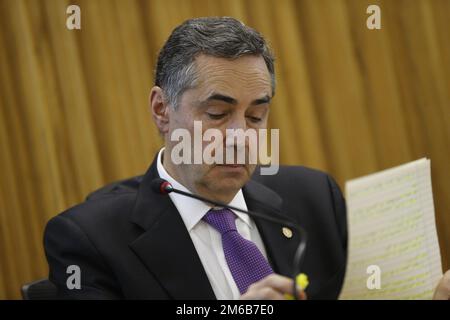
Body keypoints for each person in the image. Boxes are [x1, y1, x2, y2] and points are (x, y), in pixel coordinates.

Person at [44, 16, 449, 300]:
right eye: (217, 114)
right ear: (161, 110)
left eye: (256, 116)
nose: (241, 137)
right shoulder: (90, 240)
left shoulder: (314, 199)